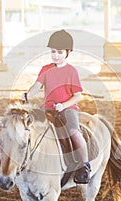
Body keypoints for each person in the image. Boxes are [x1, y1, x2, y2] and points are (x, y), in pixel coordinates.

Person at [22, 29, 91, 184]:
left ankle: (84, 166)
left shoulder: (71, 71)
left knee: (74, 132)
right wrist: (28, 95)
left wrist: (64, 105)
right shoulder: (46, 69)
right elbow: (37, 86)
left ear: (68, 52)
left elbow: (78, 96)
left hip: (68, 109)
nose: (56, 55)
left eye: (60, 52)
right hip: (47, 109)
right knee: (31, 129)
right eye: (53, 52)